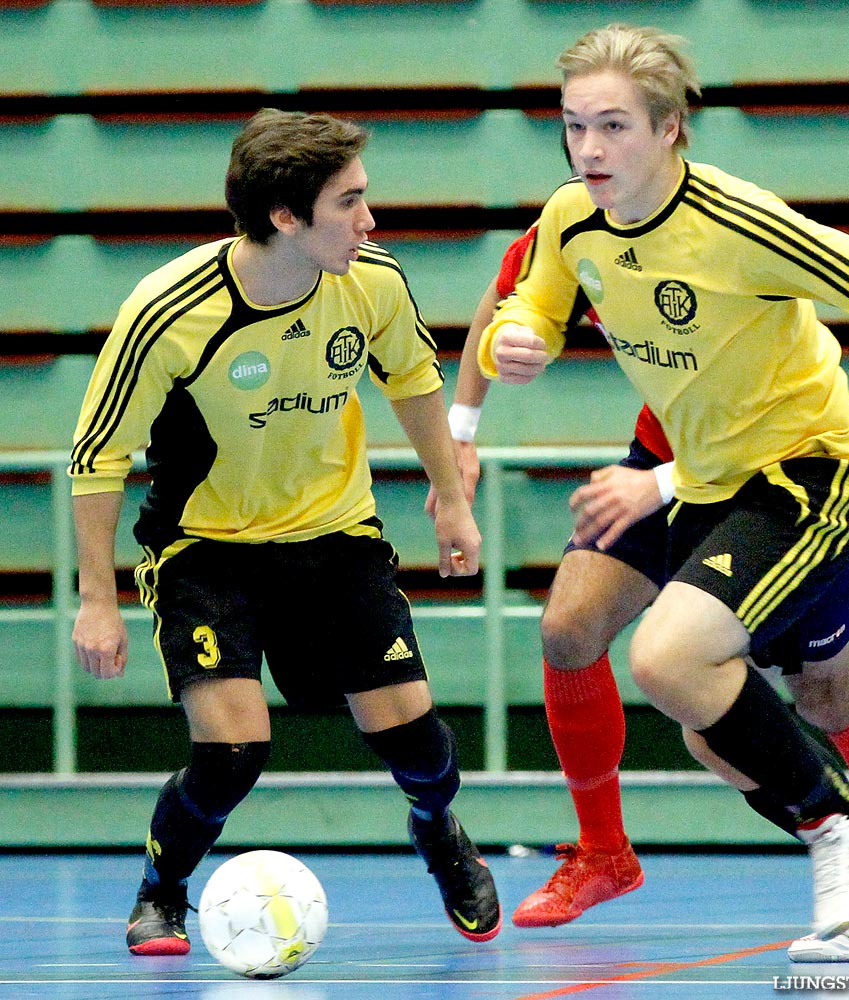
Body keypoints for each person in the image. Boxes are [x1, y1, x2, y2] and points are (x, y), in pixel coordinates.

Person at [478, 24, 849, 944]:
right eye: (574, 127)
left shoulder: (738, 223)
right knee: (706, 722)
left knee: (674, 663)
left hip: (804, 472)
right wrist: (519, 335)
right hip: (699, 478)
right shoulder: (573, 215)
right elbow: (534, 294)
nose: (588, 149)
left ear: (668, 129)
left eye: (613, 127)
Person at [68, 108, 501, 955]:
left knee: (416, 743)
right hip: (206, 551)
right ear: (284, 217)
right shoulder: (166, 311)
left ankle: (436, 827)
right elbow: (97, 457)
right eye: (350, 203)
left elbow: (413, 379)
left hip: (334, 539)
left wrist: (451, 499)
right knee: (232, 755)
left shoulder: (371, 282)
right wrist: (98, 598)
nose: (370, 221)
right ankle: (160, 892)